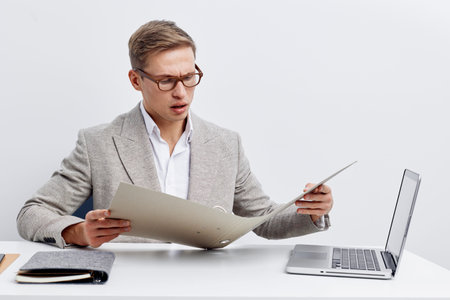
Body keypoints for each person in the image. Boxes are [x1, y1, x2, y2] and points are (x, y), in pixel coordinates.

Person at [17, 20, 333, 249]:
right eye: (166, 80)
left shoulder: (226, 144)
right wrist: (78, 232)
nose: (181, 92)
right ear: (135, 80)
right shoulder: (98, 143)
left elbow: (264, 219)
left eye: (189, 77)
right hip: (126, 287)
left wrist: (311, 211)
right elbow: (32, 213)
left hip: (207, 287)